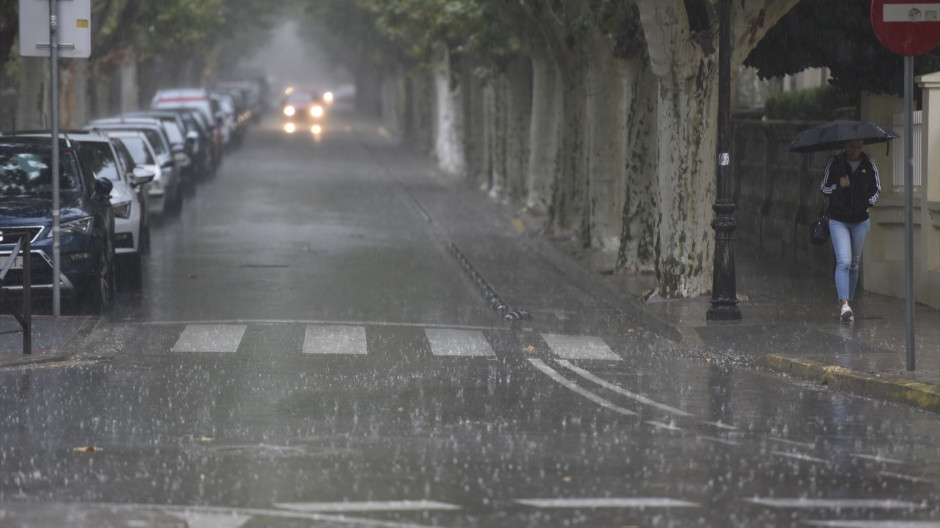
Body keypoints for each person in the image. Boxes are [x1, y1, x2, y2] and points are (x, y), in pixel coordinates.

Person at [820, 139, 881, 323]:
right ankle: (844, 305)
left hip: (860, 221)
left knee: (854, 263)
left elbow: (877, 189)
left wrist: (866, 204)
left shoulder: (868, 164)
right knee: (844, 261)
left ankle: (849, 304)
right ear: (846, 146)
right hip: (838, 220)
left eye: (859, 147)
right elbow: (823, 188)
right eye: (852, 146)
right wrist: (839, 185)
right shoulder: (835, 162)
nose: (855, 151)